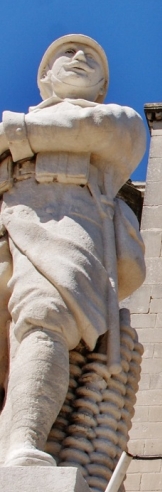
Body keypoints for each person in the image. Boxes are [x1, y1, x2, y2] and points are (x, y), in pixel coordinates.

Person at [0, 35, 146, 466]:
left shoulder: (115, 118)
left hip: (67, 218)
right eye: (66, 54)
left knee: (46, 314)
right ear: (44, 77)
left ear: (101, 86)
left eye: (92, 58)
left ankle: (23, 443)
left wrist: (15, 134)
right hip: (8, 215)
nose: (79, 57)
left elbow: (99, 134)